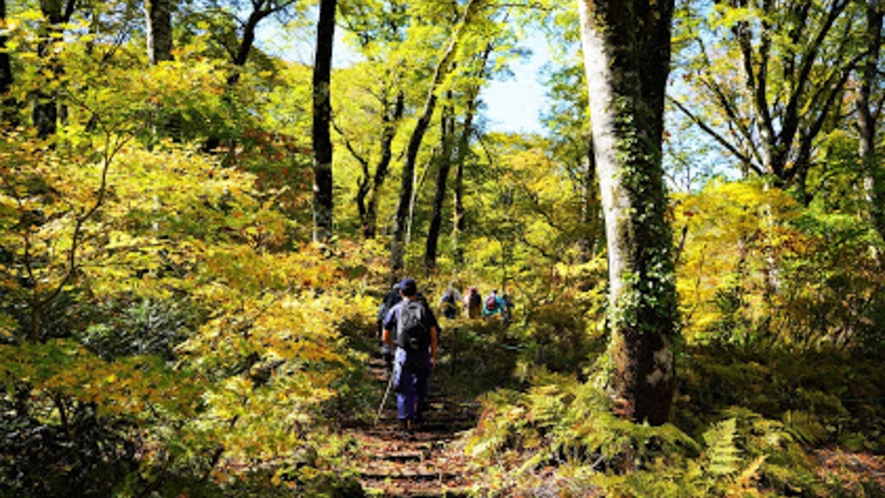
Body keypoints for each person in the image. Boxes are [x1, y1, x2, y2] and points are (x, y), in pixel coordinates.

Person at [382, 278, 439, 439]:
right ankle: (415, 416)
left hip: (404, 353)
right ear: (416, 292)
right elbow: (434, 335)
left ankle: (404, 425)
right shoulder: (424, 310)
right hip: (422, 353)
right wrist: (432, 355)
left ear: (400, 293)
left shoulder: (395, 310)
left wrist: (394, 346)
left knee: (402, 389)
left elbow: (384, 336)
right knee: (419, 385)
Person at [377, 282, 402, 372]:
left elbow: (381, 312)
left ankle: (389, 366)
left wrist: (380, 328)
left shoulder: (387, 298)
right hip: (401, 324)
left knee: (387, 344)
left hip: (388, 322)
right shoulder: (403, 298)